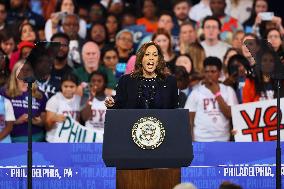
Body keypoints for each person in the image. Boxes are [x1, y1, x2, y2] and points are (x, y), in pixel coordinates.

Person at [105, 41, 178, 109]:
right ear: (140, 59)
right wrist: (111, 103)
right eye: (147, 54)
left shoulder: (170, 81)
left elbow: (174, 111)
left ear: (159, 60)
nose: (151, 58)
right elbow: (118, 106)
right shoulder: (126, 81)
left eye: (155, 55)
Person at [185, 56, 238, 142]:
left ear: (219, 73)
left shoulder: (229, 91)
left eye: (213, 71)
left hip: (223, 140)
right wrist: (191, 141)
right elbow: (189, 120)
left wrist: (217, 94)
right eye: (207, 72)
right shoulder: (195, 92)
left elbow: (231, 115)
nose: (209, 74)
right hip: (200, 139)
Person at [0, 61, 47, 142]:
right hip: (11, 138)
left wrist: (38, 122)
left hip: (36, 138)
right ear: (15, 74)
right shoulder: (4, 92)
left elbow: (45, 123)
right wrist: (17, 121)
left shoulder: (40, 95)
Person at [45, 72, 81, 142]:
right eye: (65, 86)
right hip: (54, 139)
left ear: (76, 86)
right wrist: (53, 119)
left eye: (72, 86)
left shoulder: (78, 99)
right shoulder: (54, 100)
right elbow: (47, 127)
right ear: (61, 86)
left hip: (72, 139)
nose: (68, 89)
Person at [80, 71, 107, 142]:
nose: (96, 83)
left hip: (105, 138)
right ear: (89, 83)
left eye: (99, 81)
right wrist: (91, 97)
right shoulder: (85, 98)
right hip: (89, 138)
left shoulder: (110, 100)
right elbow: (84, 118)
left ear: (105, 83)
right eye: (93, 81)